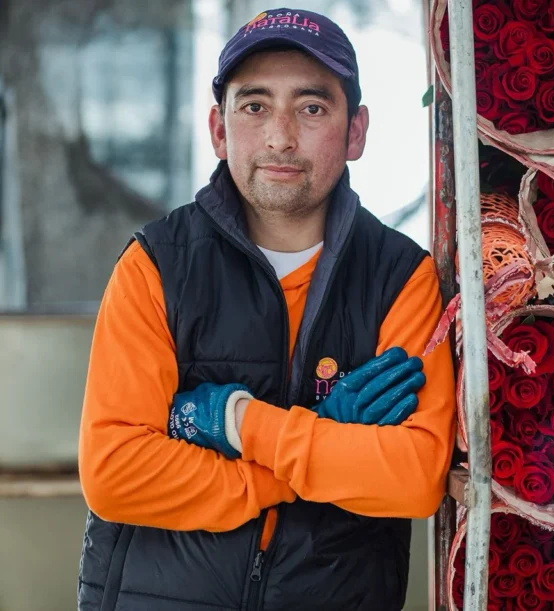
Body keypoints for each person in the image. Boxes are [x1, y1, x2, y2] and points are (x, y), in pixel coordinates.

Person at [75, 8, 456, 610]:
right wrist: (325, 442)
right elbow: (115, 473)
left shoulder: (400, 277)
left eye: (311, 108)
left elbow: (413, 481)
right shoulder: (157, 265)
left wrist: (235, 423)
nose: (281, 136)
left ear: (355, 132)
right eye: (254, 106)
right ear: (219, 129)